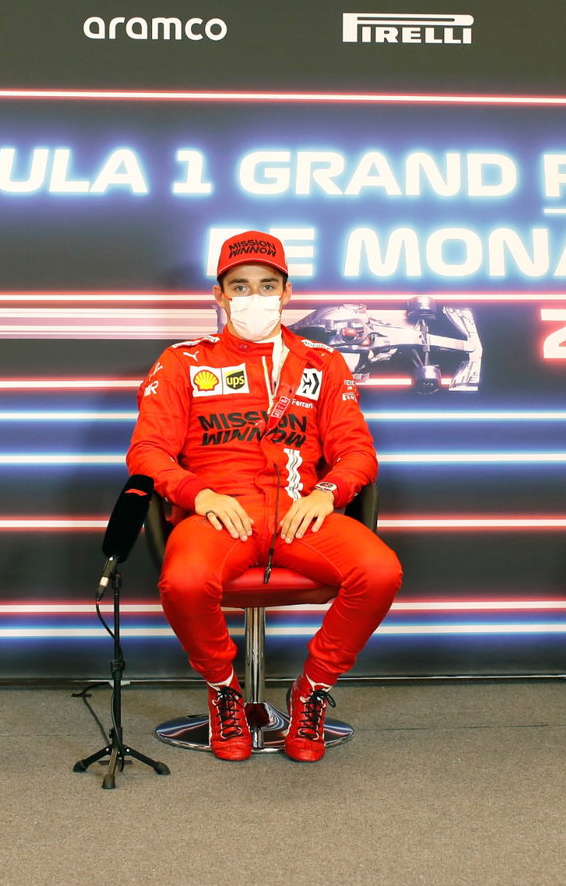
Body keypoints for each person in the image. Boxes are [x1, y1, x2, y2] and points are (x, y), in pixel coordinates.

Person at [128, 231, 402, 762]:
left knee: (381, 571)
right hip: (220, 515)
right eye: (240, 286)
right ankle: (224, 691)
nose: (254, 297)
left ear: (287, 291)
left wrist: (328, 491)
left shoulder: (323, 363)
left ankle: (311, 693)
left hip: (303, 514)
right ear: (219, 295)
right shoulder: (183, 361)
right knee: (183, 580)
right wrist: (198, 493)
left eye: (266, 285)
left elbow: (358, 453)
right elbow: (147, 453)